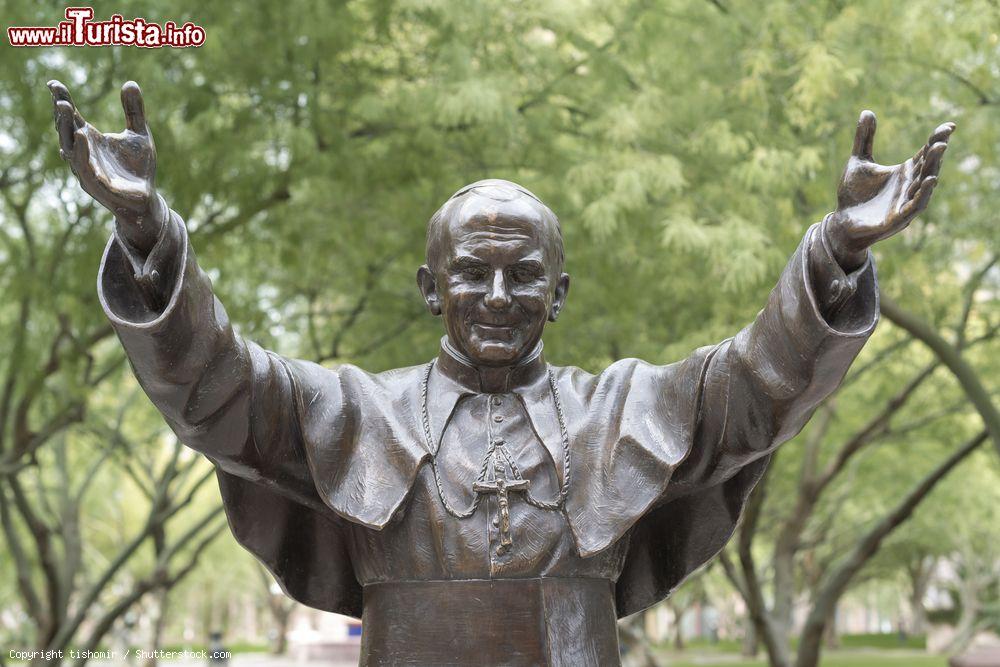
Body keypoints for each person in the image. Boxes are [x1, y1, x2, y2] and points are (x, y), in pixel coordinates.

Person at [47, 79, 953, 666]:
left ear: (558, 293)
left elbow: (760, 385)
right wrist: (146, 237)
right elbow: (216, 390)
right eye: (470, 272)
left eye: (523, 274)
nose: (494, 293)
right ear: (429, 287)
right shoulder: (354, 411)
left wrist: (833, 250)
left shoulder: (622, 408)